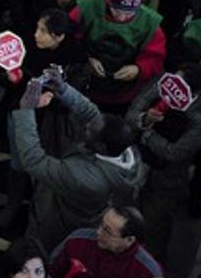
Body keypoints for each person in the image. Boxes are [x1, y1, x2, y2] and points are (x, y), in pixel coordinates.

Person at [12, 73, 146, 249]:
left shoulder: (85, 178)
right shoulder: (122, 148)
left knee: (42, 248)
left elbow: (34, 160)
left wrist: (26, 111)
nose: (86, 127)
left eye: (90, 131)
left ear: (101, 147)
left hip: (59, 222)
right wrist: (63, 88)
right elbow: (91, 114)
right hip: (82, 209)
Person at [124, 65, 201, 260]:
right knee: (123, 216)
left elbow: (174, 153)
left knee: (154, 230)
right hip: (134, 164)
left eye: (180, 83)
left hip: (165, 180)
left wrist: (146, 132)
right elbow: (131, 115)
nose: (172, 85)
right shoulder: (161, 83)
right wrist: (145, 118)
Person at [70, 0, 166, 112]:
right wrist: (85, 59)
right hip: (81, 83)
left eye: (129, 13)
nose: (121, 18)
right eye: (117, 10)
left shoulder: (151, 24)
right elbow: (67, 39)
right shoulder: (86, 8)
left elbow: (155, 58)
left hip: (124, 92)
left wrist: (139, 69)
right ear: (108, 1)